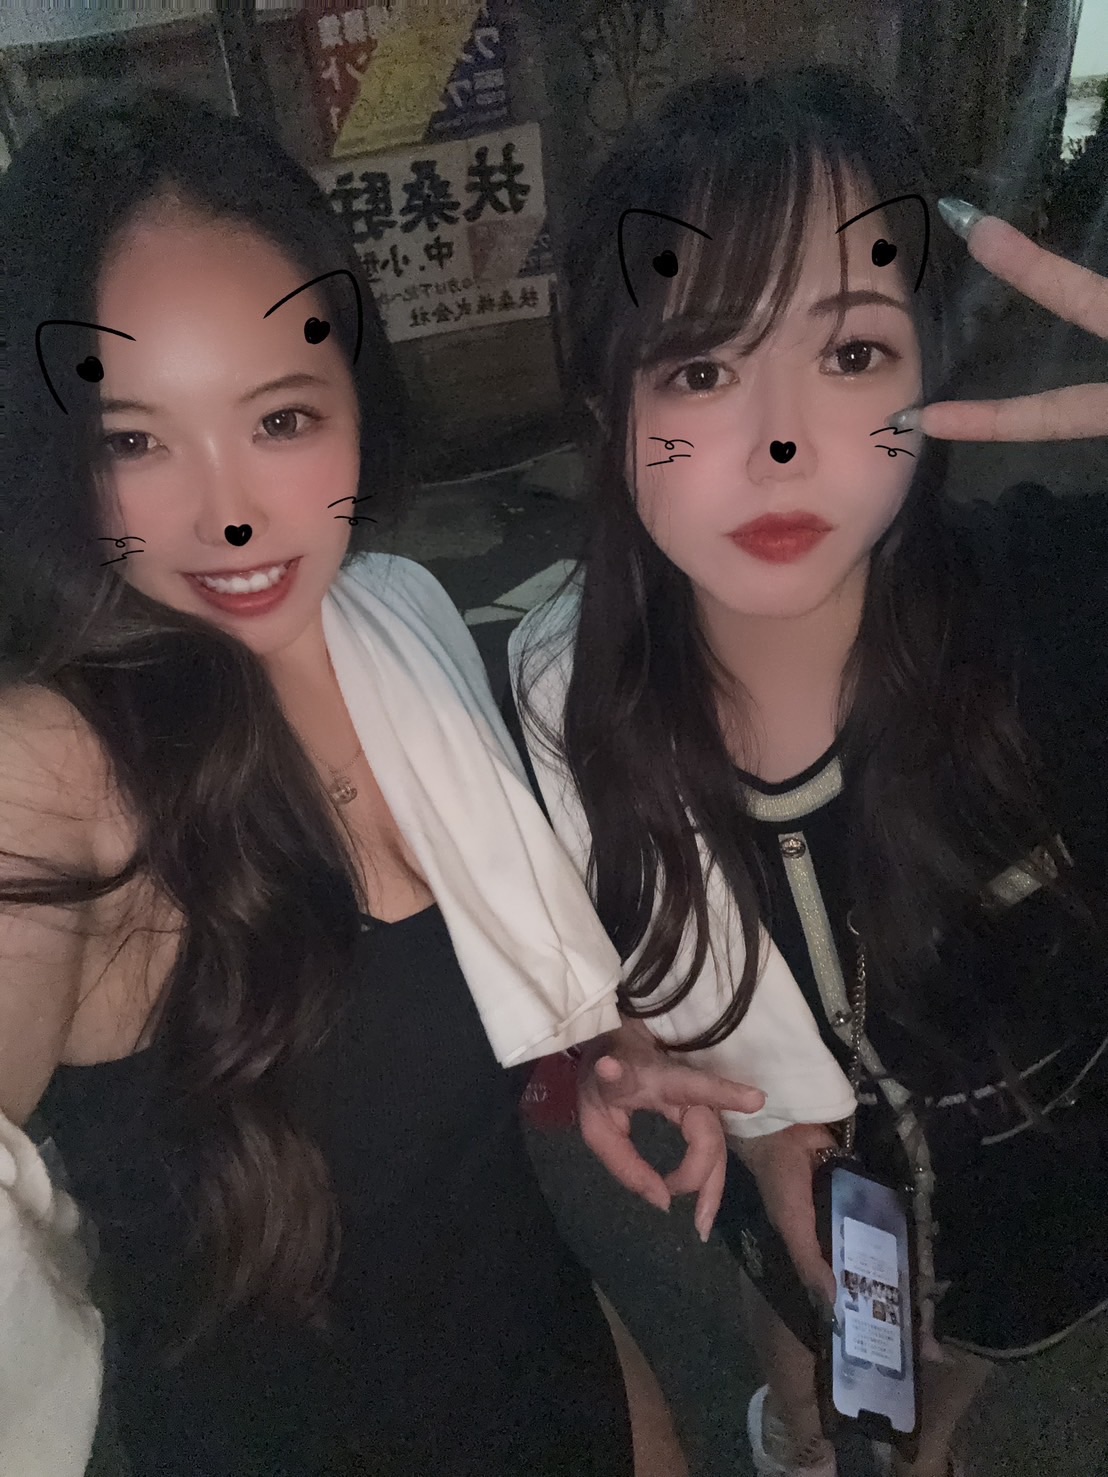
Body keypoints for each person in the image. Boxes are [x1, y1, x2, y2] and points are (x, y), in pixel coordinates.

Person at [0, 83, 746, 1477]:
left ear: (355, 399)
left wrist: (588, 1050)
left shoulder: (397, 620)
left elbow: (461, 1059)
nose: (230, 514)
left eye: (281, 419)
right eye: (132, 440)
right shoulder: (57, 765)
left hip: (574, 1386)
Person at [507, 68, 1108, 1477]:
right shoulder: (550, 703)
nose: (779, 442)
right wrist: (616, 1047)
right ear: (607, 410)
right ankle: (798, 1435)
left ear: (928, 376)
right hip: (768, 1197)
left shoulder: (1056, 609)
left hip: (1043, 1190)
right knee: (808, 1354)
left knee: (948, 1378)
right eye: (700, 369)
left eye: (850, 354)